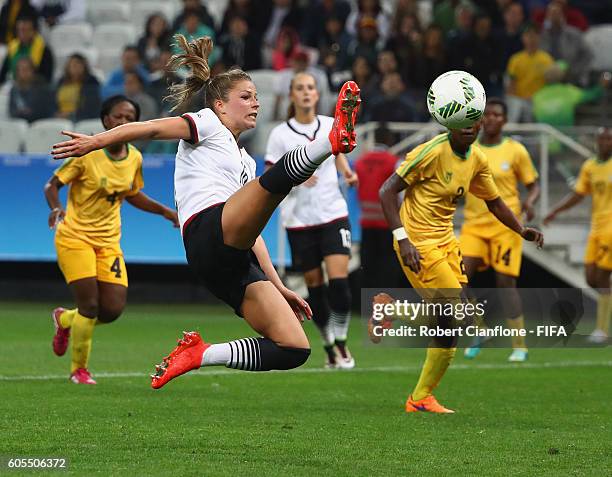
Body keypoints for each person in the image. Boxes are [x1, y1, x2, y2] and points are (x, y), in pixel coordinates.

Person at [51, 35, 361, 389]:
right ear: (219, 105)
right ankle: (330, 142)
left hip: (229, 257)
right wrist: (96, 140)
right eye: (246, 97)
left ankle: (199, 353)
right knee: (272, 186)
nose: (255, 104)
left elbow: (251, 232)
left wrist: (279, 287)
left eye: (257, 98)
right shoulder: (207, 124)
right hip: (207, 231)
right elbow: (151, 128)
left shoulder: (244, 160)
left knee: (293, 348)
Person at [375, 120, 543, 413]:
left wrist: (521, 229)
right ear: (450, 123)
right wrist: (402, 240)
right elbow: (386, 191)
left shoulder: (477, 158)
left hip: (447, 242)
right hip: (417, 243)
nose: (469, 127)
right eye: (462, 122)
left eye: (473, 121)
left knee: (448, 326)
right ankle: (392, 311)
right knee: (461, 314)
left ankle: (420, 398)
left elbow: (495, 202)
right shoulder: (430, 152)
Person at [44, 95, 180, 385]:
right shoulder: (88, 152)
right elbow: (52, 185)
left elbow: (132, 193)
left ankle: (65, 320)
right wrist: (57, 207)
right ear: (106, 121)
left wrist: (165, 211)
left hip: (108, 242)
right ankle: (79, 370)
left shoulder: (134, 157)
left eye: (130, 118)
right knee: (90, 306)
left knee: (112, 310)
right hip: (75, 237)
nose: (124, 122)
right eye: (118, 117)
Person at [265, 71, 358, 369]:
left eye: (310, 88)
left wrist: (345, 170)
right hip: (299, 220)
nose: (306, 93)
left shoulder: (330, 124)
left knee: (340, 284)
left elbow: (338, 150)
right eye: (300, 88)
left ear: (317, 95)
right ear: (292, 95)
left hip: (332, 213)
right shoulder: (280, 134)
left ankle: (342, 342)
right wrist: (295, 177)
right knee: (315, 288)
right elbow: (270, 173)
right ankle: (328, 341)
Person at [459, 98, 540, 362]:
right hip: (474, 223)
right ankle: (480, 331)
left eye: (497, 115)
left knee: (505, 282)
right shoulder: (469, 150)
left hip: (506, 225)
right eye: (488, 115)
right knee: (458, 278)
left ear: (504, 120)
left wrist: (529, 202)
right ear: (481, 120)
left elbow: (533, 183)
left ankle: (519, 345)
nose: (492, 118)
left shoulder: (515, 150)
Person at [544, 127, 612, 344]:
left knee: (602, 278)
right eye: (601, 138)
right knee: (590, 278)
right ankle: (605, 312)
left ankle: (602, 330)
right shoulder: (590, 166)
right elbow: (579, 194)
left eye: (609, 139)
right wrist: (555, 210)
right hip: (595, 227)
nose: (605, 142)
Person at [354, 123, 404, 289]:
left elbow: (356, 188)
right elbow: (401, 195)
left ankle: (368, 305)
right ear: (389, 140)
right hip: (388, 222)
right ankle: (386, 306)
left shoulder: (360, 162)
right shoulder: (394, 162)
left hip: (366, 222)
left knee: (368, 265)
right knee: (388, 265)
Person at [505, 25, 554, 123]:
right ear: (523, 38)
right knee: (514, 106)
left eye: (534, 35)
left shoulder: (547, 59)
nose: (531, 39)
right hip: (520, 101)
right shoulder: (516, 59)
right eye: (528, 36)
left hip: (540, 101)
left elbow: (550, 85)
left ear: (539, 37)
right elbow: (511, 85)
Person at [0, 15, 54, 84]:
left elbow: (47, 77)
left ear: (34, 31)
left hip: (35, 87)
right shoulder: (12, 47)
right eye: (19, 30)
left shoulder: (44, 50)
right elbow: (3, 73)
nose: (22, 33)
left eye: (25, 30)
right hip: (14, 85)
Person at [54, 53, 100, 121]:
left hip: (81, 118)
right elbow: (53, 101)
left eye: (78, 64)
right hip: (60, 117)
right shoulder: (61, 82)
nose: (75, 67)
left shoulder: (91, 82)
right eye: (72, 64)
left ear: (84, 66)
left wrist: (71, 114)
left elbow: (91, 106)